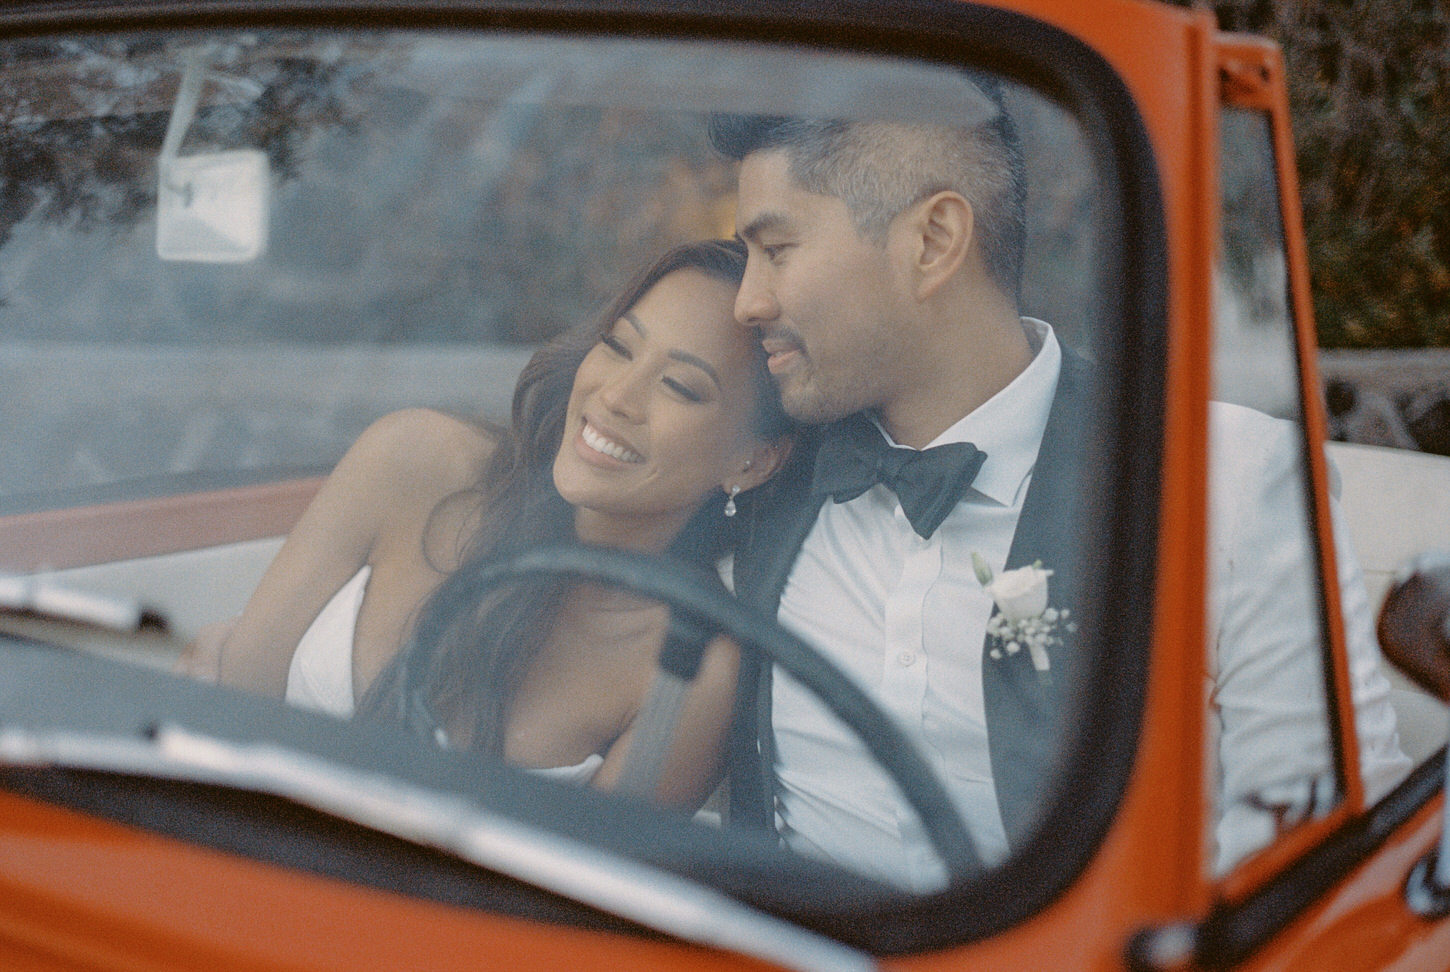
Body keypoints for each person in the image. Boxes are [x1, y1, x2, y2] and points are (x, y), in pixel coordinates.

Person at [708, 98, 1408, 889]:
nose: (748, 302)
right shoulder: (755, 466)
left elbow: (1316, 855)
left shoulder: (1230, 480)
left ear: (932, 243)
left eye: (776, 250)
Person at [181, 239, 793, 809]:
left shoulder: (690, 666)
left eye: (681, 386)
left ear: (754, 459)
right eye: (618, 346)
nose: (616, 397)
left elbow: (578, 902)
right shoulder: (412, 459)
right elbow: (233, 719)